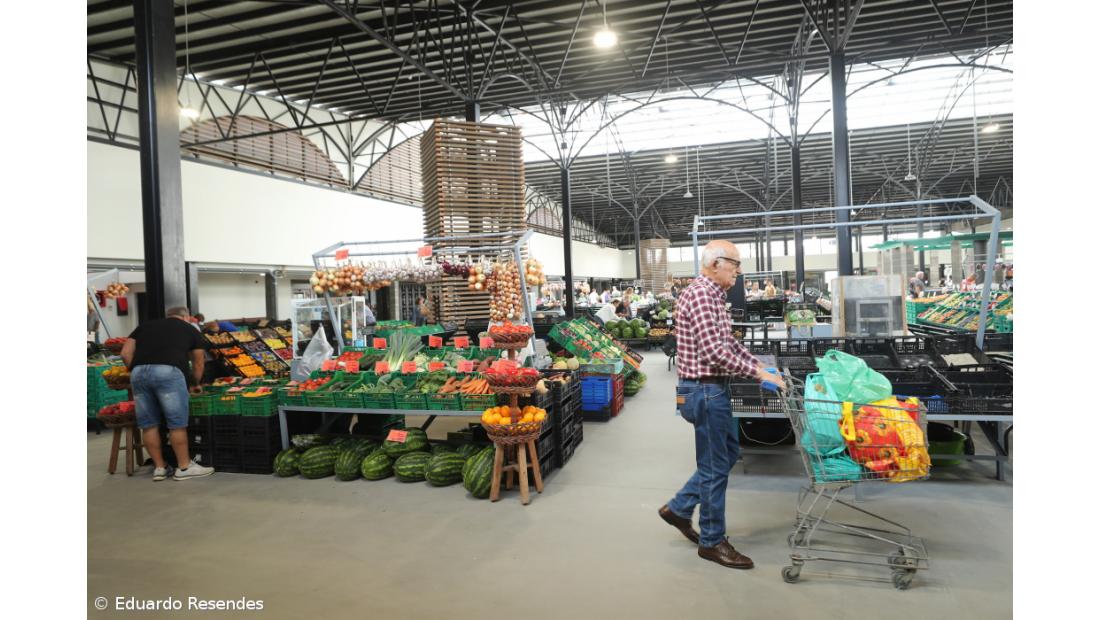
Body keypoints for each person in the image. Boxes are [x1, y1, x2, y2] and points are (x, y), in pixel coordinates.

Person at [658, 240, 785, 571]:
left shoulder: (714, 295)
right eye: (735, 263)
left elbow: (728, 344)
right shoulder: (702, 294)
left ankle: (679, 508)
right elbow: (715, 353)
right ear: (715, 263)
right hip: (704, 390)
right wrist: (757, 374)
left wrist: (760, 365)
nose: (738, 271)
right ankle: (712, 541)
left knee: (726, 454)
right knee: (715, 465)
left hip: (707, 389)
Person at [121, 306, 215, 482]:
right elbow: (198, 362)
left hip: (138, 373)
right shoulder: (190, 329)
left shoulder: (144, 326)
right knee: (176, 423)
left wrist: (137, 370)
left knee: (148, 424)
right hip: (168, 371)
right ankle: (184, 467)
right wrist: (194, 383)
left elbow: (125, 353)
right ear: (186, 317)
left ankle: (160, 467)